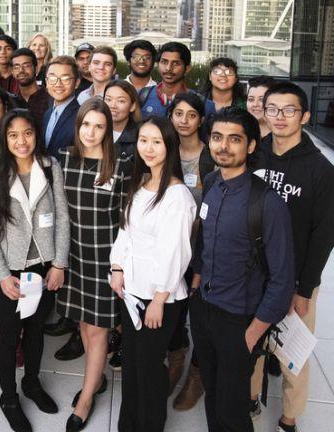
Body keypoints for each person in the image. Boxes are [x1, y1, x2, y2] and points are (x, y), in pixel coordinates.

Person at [191, 107, 295, 432]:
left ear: (250, 146)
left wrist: (253, 333)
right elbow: (203, 246)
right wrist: (195, 287)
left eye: (234, 139)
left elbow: (282, 278)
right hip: (203, 310)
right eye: (218, 137)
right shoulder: (210, 183)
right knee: (212, 394)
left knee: (233, 409)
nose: (224, 146)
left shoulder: (268, 203)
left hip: (240, 320)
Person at [0, 109, 69, 432]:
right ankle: (10, 397)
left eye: (27, 133)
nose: (21, 141)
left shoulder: (49, 165)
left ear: (36, 134)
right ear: (4, 138)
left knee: (37, 329)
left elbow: (62, 219)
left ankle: (31, 382)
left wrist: (59, 263)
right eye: (13, 135)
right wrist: (1, 275)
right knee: (8, 335)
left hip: (43, 267)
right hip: (10, 270)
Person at [249, 82, 334, 432]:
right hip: (253, 273)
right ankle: (250, 398)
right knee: (251, 343)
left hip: (296, 277)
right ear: (263, 112)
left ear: (305, 116)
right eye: (273, 109)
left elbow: (324, 235)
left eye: (289, 110)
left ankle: (290, 416)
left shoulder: (320, 170)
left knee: (292, 354)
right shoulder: (255, 154)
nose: (280, 117)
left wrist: (304, 288)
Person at [110, 116, 197, 432]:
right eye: (143, 140)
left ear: (169, 145)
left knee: (148, 367)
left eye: (156, 141)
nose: (148, 147)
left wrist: (160, 299)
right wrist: (117, 267)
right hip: (131, 291)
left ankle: (149, 425)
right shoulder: (141, 182)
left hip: (159, 296)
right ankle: (128, 424)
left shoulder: (177, 195)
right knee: (131, 364)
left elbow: (175, 253)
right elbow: (126, 231)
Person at [57, 99, 131, 432]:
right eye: (86, 124)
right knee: (85, 325)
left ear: (109, 129)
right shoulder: (64, 159)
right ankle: (96, 378)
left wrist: (119, 266)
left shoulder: (121, 165)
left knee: (99, 328)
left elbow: (127, 220)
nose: (91, 132)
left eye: (99, 126)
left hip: (105, 258)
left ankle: (86, 398)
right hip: (73, 255)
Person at [166, 92, 213, 411]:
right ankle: (176, 359)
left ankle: (196, 376)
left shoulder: (211, 156)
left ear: (201, 119)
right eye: (178, 113)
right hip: (169, 250)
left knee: (201, 317)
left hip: (203, 250)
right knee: (172, 311)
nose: (183, 120)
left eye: (191, 114)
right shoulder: (162, 150)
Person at [139, 42, 193, 118]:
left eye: (176, 63)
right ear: (158, 65)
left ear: (187, 68)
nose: (168, 68)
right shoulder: (141, 96)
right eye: (164, 62)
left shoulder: (202, 103)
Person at [43, 56, 81, 157]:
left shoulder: (82, 117)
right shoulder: (47, 114)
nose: (58, 84)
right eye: (52, 78)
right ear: (46, 82)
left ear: (77, 83)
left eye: (65, 78)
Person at [12, 48, 50, 133]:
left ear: (36, 69)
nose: (21, 70)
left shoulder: (50, 99)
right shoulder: (11, 101)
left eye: (26, 65)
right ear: (12, 72)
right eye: (16, 66)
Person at [104, 80, 141, 159]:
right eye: (108, 99)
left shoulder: (140, 136)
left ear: (132, 106)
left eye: (121, 101)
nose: (113, 106)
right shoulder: (93, 129)